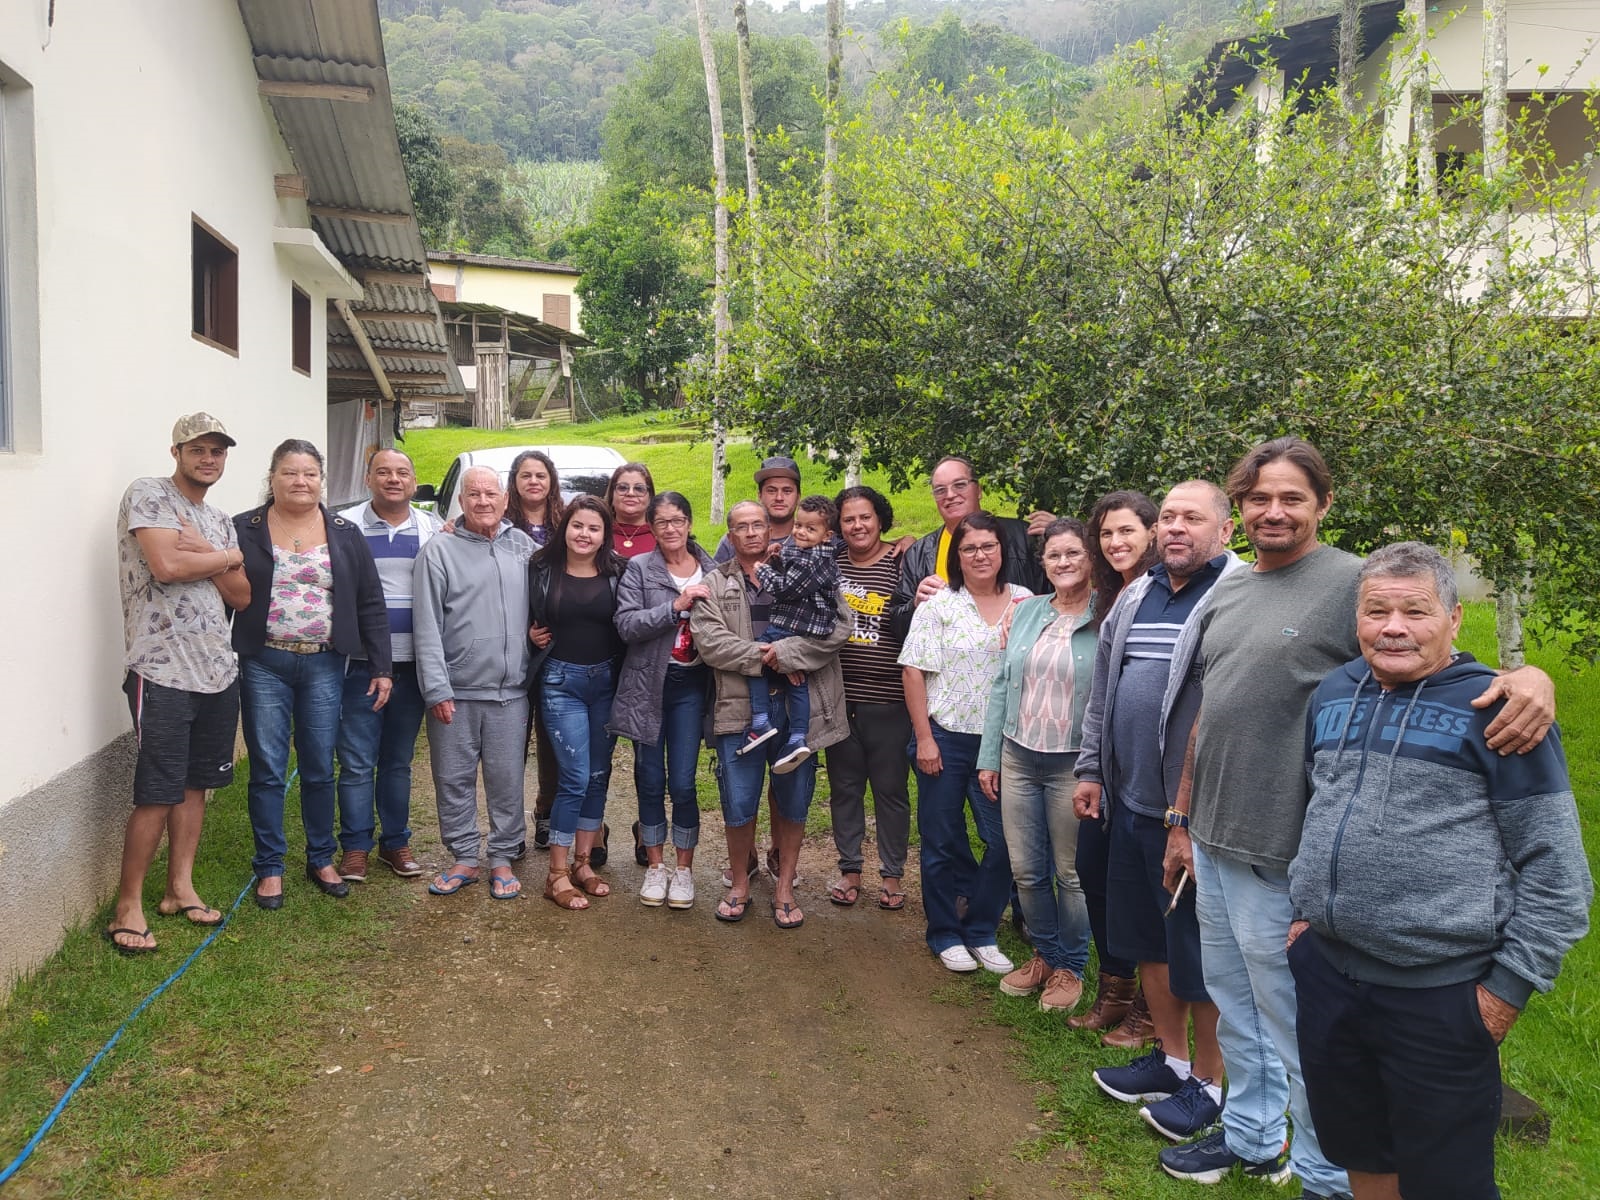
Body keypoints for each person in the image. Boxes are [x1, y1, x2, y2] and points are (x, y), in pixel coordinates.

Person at [1158, 437, 1555, 1194]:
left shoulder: (1350, 582)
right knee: (1236, 1007)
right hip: (1213, 838)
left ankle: (1325, 1174)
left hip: (1289, 855)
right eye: (1259, 498)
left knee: (1301, 1033)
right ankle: (1251, 1137)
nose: (1274, 511)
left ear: (1324, 503)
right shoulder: (1231, 590)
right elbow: (1213, 709)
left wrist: (1529, 677)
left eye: (1292, 497)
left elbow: (1428, 648)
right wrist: (1181, 816)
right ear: (1240, 507)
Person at [1288, 542, 1591, 1200]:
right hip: (1330, 978)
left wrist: (1503, 994)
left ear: (1453, 619)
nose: (1393, 627)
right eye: (1377, 611)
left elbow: (1558, 877)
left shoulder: (1501, 711)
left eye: (1416, 611)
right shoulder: (1334, 693)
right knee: (1359, 1153)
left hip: (1441, 995)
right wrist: (1304, 921)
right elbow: (1321, 810)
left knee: (1447, 1183)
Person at [1072, 482, 1239, 1145]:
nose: (1175, 527)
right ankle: (1170, 1061)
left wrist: (1188, 817)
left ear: (1225, 530)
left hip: (1195, 816)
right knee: (1147, 939)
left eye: (1191, 517)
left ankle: (1210, 1082)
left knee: (1198, 954)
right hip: (1130, 802)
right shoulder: (1137, 594)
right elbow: (1103, 692)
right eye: (1167, 516)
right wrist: (1092, 769)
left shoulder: (1235, 595)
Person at [106, 414, 251, 954]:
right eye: (198, 449)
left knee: (196, 786)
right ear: (176, 452)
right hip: (162, 669)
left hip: (216, 670)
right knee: (157, 791)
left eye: (217, 451)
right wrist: (226, 557)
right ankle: (128, 906)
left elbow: (241, 596)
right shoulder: (149, 494)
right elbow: (165, 565)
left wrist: (209, 552)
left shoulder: (217, 519)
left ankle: (179, 888)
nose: (208, 459)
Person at [233, 439, 391, 909]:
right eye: (289, 473)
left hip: (324, 663)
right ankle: (270, 866)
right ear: (272, 478)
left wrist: (382, 666)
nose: (300, 481)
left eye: (309, 473)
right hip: (264, 662)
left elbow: (370, 602)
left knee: (320, 765)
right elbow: (222, 592)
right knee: (268, 767)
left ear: (322, 480)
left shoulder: (344, 532)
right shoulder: (243, 528)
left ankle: (321, 857)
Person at [692, 501, 851, 928]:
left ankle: (784, 887)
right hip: (740, 706)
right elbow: (710, 642)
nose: (751, 533)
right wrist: (768, 658)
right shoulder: (715, 582)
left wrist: (788, 653)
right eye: (741, 527)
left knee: (795, 800)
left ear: (770, 529)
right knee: (738, 801)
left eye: (758, 525)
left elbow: (840, 627)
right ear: (730, 535)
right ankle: (739, 883)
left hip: (801, 705)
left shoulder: (805, 567)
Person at [900, 511, 1033, 974]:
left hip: (1004, 743)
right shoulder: (939, 604)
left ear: (1002, 551)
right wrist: (924, 739)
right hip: (946, 736)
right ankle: (944, 933)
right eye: (969, 548)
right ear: (957, 556)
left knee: (1004, 841)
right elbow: (913, 671)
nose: (980, 555)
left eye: (988, 546)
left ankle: (980, 929)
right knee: (939, 840)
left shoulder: (1027, 602)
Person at [976, 517, 1099, 1012]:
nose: (1063, 563)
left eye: (1073, 553)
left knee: (1070, 873)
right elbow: (1001, 684)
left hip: (1072, 761)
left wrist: (1097, 769)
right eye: (1054, 555)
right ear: (1042, 563)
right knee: (1026, 869)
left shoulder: (1109, 613)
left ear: (1090, 558)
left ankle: (1072, 965)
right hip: (1019, 755)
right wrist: (990, 756)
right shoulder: (1027, 611)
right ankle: (1045, 956)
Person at [413, 465, 535, 902]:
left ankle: (502, 855)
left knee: (507, 779)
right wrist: (436, 688)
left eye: (490, 493)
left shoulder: (524, 547)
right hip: (456, 691)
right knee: (453, 778)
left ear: (505, 500)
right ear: (460, 502)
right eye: (473, 494)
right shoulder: (438, 550)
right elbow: (426, 624)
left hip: (511, 692)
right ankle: (464, 856)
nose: (483, 501)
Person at [1072, 489, 1159, 1041]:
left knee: (1147, 892)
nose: (1115, 542)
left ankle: (1151, 1008)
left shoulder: (1166, 594)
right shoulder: (1110, 596)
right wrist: (1091, 769)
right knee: (1093, 871)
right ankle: (1116, 988)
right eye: (1105, 533)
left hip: (1153, 775)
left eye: (1126, 530)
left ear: (1152, 532)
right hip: (1108, 766)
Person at [333, 449, 442, 881]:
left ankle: (395, 842)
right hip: (359, 665)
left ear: (413, 482)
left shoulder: (433, 529)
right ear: (368, 479)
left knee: (397, 761)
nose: (393, 479)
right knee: (357, 761)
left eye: (402, 473)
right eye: (383, 472)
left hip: (412, 666)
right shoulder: (344, 527)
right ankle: (355, 847)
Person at [611, 491, 716, 909]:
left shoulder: (711, 569)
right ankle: (655, 866)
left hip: (691, 685)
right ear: (652, 528)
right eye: (661, 522)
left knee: (684, 782)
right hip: (648, 685)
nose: (670, 529)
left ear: (689, 523)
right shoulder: (639, 568)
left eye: (677, 520)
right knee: (650, 777)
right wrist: (674, 607)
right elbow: (626, 625)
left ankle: (684, 870)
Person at [529, 495, 626, 910]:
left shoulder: (618, 572)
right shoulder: (540, 567)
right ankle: (556, 874)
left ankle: (583, 865)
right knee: (574, 777)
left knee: (599, 775)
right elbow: (517, 612)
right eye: (577, 525)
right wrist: (528, 634)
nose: (584, 534)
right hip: (560, 683)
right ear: (565, 527)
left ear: (605, 535)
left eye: (594, 528)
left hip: (606, 682)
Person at [825, 485, 913, 911]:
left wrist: (911, 541)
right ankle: (850, 870)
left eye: (865, 517)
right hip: (839, 699)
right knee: (844, 788)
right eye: (848, 519)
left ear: (880, 519)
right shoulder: (830, 563)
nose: (857, 525)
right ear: (838, 526)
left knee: (890, 790)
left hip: (890, 700)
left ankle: (892, 875)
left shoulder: (902, 562)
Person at [741, 494, 841, 773]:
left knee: (755, 657)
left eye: (810, 528)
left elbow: (785, 588)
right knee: (797, 680)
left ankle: (760, 721)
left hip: (795, 625)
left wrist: (762, 569)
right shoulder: (810, 551)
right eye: (798, 525)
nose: (800, 532)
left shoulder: (815, 560)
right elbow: (792, 559)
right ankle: (798, 737)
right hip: (806, 628)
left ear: (827, 535)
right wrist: (779, 553)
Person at [506, 449, 565, 856]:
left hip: (555, 646)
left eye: (540, 475)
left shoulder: (565, 524)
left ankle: (547, 807)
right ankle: (509, 821)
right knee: (512, 736)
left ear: (551, 481)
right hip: (513, 642)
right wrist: (523, 630)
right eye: (525, 475)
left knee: (551, 734)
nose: (533, 482)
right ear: (514, 482)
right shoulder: (499, 523)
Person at [896, 456, 1045, 609]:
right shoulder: (918, 553)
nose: (950, 495)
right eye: (940, 490)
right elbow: (897, 614)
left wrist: (1058, 534)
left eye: (960, 485)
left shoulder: (1024, 537)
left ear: (978, 490)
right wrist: (916, 605)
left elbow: (1056, 595)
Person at [714, 455, 801, 561]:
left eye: (787, 491)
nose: (779, 498)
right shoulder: (735, 540)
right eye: (771, 491)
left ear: (798, 497)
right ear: (760, 496)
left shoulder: (812, 539)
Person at [604, 461, 657, 558]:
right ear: (612, 494)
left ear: (650, 497)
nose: (630, 493)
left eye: (639, 488)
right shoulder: (598, 532)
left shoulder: (662, 535)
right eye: (623, 488)